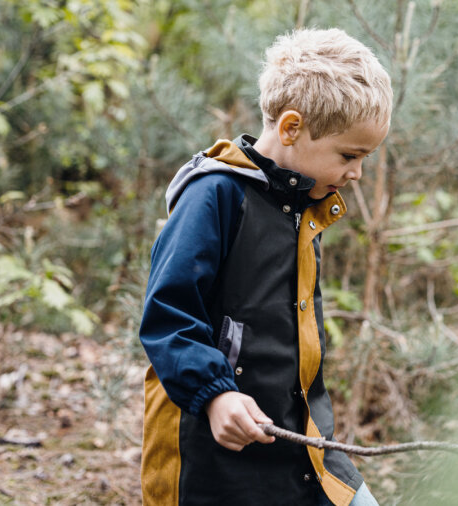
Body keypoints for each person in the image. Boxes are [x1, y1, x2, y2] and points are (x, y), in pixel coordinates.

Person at [139, 28, 392, 506]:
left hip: (301, 446)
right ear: (292, 128)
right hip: (213, 449)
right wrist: (215, 394)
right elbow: (168, 316)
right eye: (349, 155)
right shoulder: (214, 196)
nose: (356, 173)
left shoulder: (301, 206)